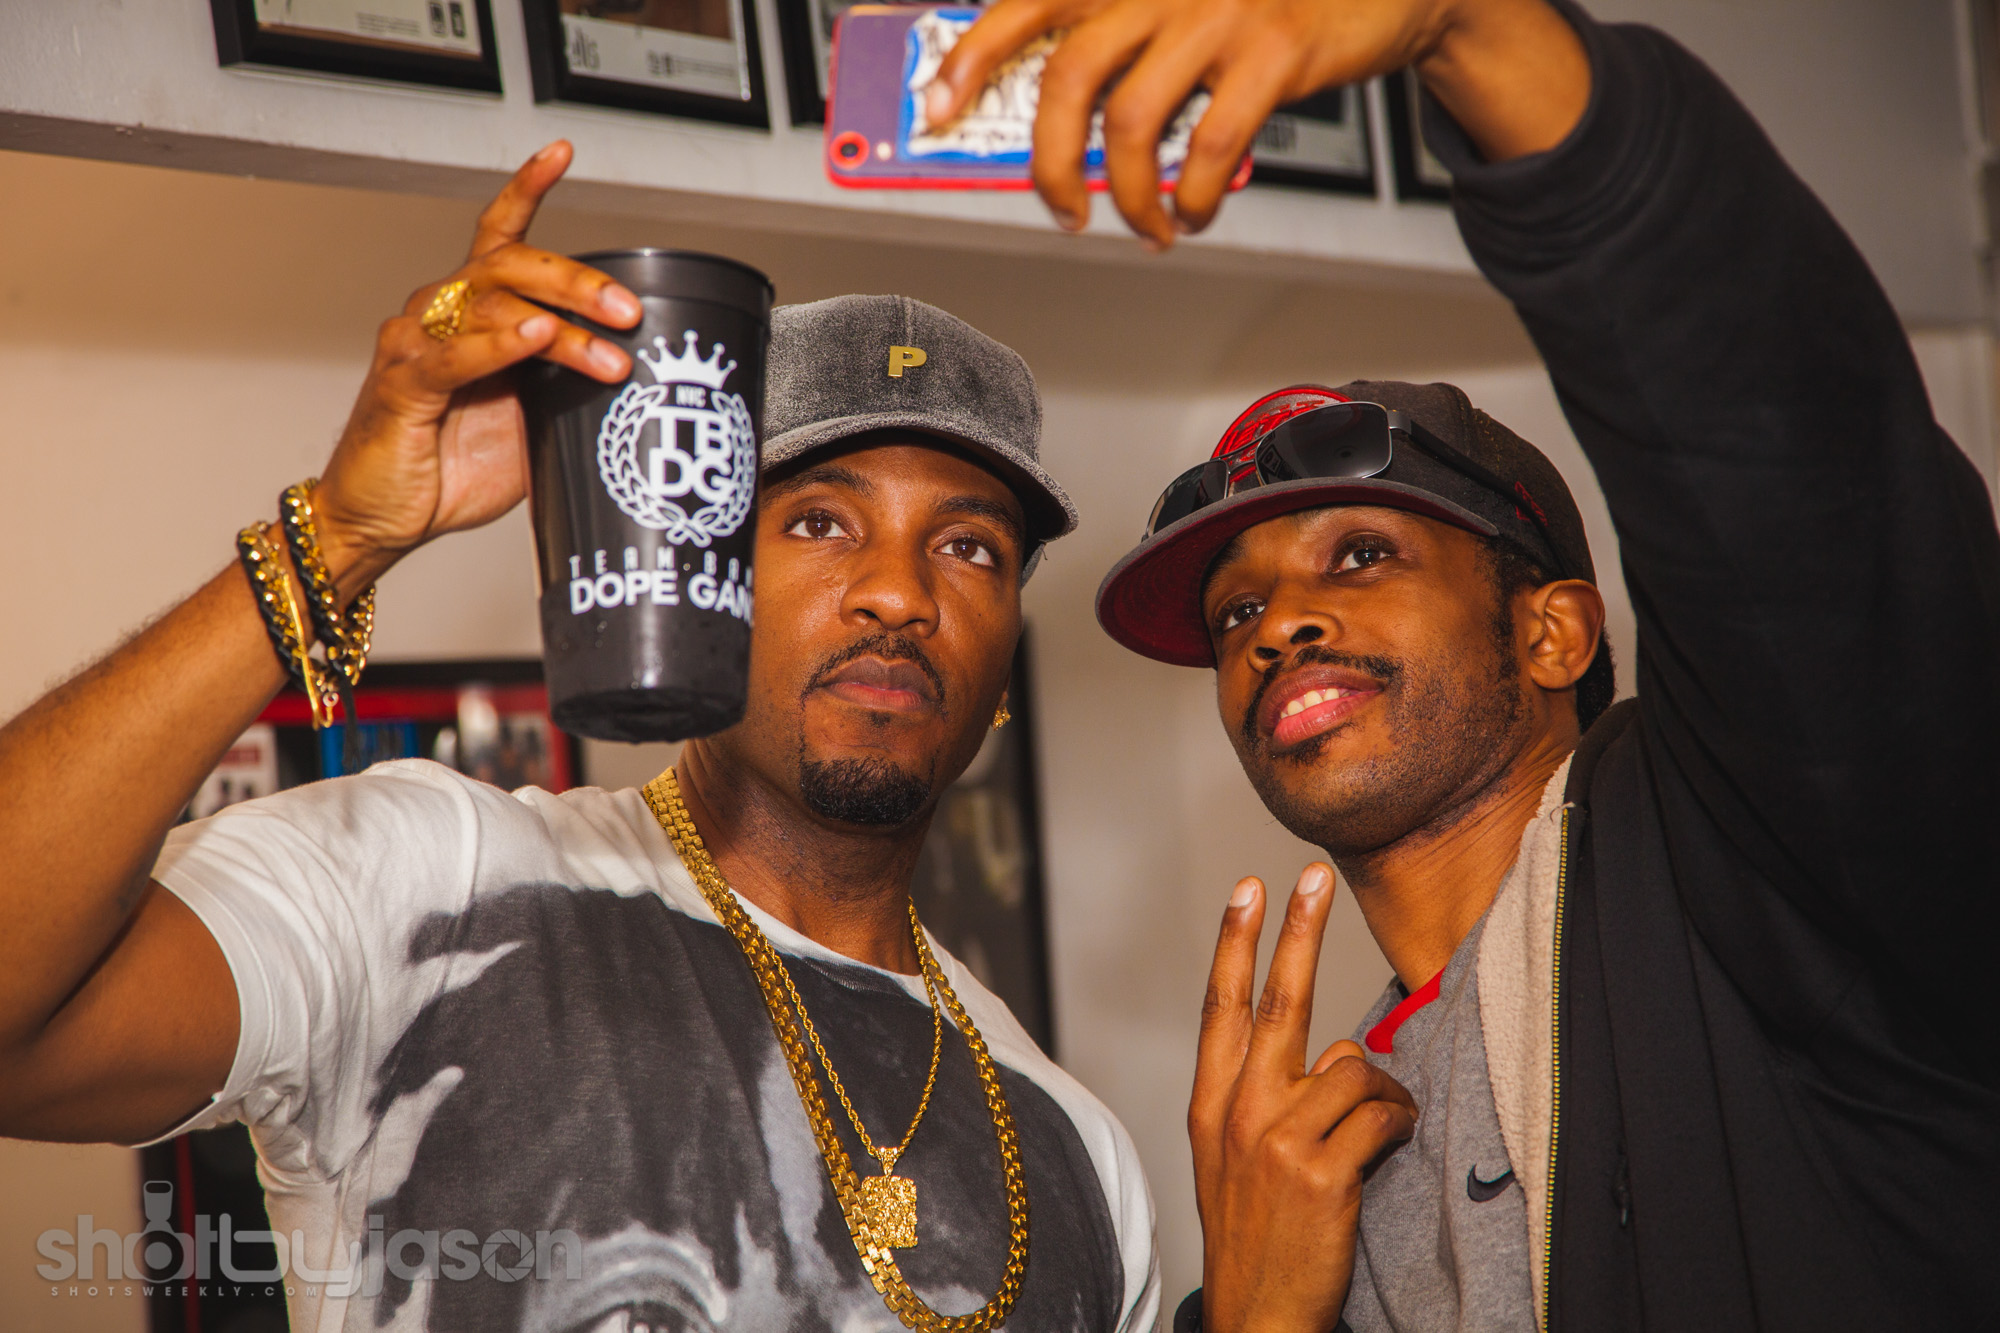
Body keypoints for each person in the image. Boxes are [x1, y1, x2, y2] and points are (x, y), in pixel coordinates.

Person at [933, 0, 2000, 1330]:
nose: (1276, 626)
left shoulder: (1756, 878)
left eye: (1359, 556)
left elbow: (1790, 471)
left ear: (1553, 631)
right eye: (1235, 611)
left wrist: (1472, 28)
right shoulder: (1314, 1159)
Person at [0, 146, 1158, 1333]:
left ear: (1003, 658)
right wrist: (336, 539)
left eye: (968, 546)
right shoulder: (430, 890)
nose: (899, 593)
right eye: (819, 521)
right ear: (697, 572)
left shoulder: (1083, 1159)